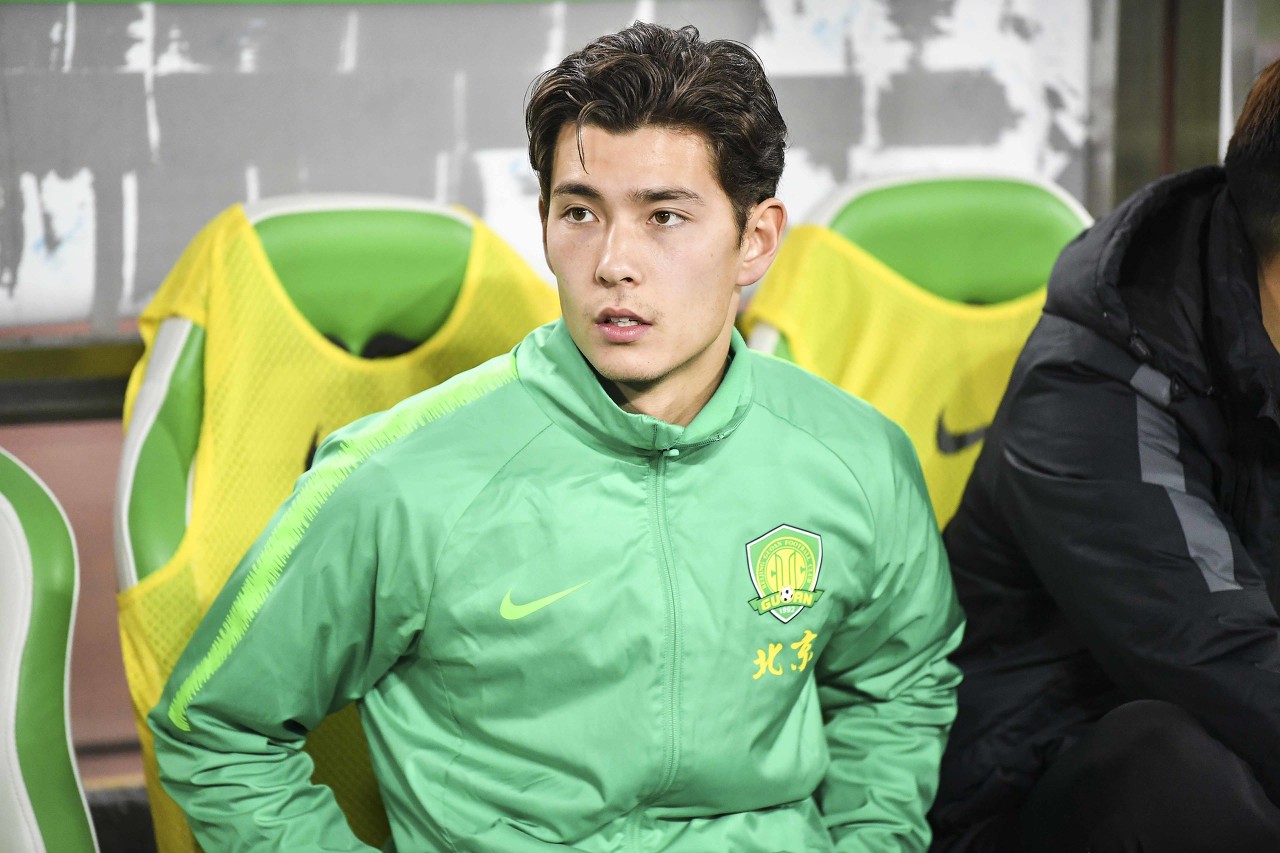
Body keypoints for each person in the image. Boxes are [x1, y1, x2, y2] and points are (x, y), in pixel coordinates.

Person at [149, 21, 963, 853]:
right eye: (580, 212)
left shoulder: (858, 458)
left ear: (754, 239)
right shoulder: (399, 478)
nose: (613, 261)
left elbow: (897, 681)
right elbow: (216, 729)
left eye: (665, 216)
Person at [928, 59, 1280, 853]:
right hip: (1025, 789)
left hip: (1234, 747)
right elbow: (1221, 657)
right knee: (1178, 772)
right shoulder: (1089, 384)